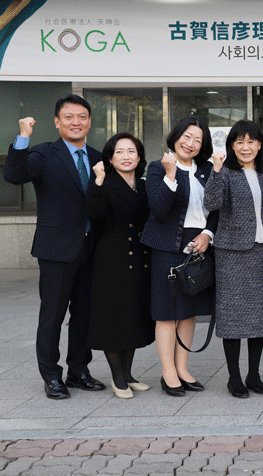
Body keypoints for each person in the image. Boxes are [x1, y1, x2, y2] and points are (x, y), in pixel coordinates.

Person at [3, 95, 106, 399]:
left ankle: (79, 370)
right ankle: (51, 376)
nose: (77, 122)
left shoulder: (100, 157)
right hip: (56, 250)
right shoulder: (44, 153)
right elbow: (14, 175)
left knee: (85, 315)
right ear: (57, 122)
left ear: (89, 121)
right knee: (53, 316)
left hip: (92, 248)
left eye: (82, 117)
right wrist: (23, 136)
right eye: (69, 117)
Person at [141, 115, 218, 397]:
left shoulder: (208, 170)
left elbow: (218, 209)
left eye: (198, 139)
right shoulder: (157, 167)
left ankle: (183, 368)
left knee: (188, 312)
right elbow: (159, 209)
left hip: (198, 247)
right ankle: (168, 371)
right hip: (167, 247)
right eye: (187, 136)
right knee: (166, 313)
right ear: (175, 137)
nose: (191, 143)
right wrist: (171, 174)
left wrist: (208, 234)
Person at [204, 120, 263, 398]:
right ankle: (234, 377)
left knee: (259, 318)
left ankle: (254, 375)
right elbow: (211, 204)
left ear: (259, 145)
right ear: (231, 146)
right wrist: (215, 170)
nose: (245, 147)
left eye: (251, 142)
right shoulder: (224, 173)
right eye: (239, 142)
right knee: (233, 318)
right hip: (232, 255)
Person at [85, 133, 155, 399]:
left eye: (132, 151)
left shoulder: (145, 184)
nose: (126, 156)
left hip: (139, 258)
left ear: (139, 157)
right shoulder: (105, 181)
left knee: (133, 317)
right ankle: (117, 378)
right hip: (111, 259)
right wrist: (99, 181)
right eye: (120, 152)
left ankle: (128, 374)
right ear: (110, 158)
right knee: (113, 318)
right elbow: (93, 213)